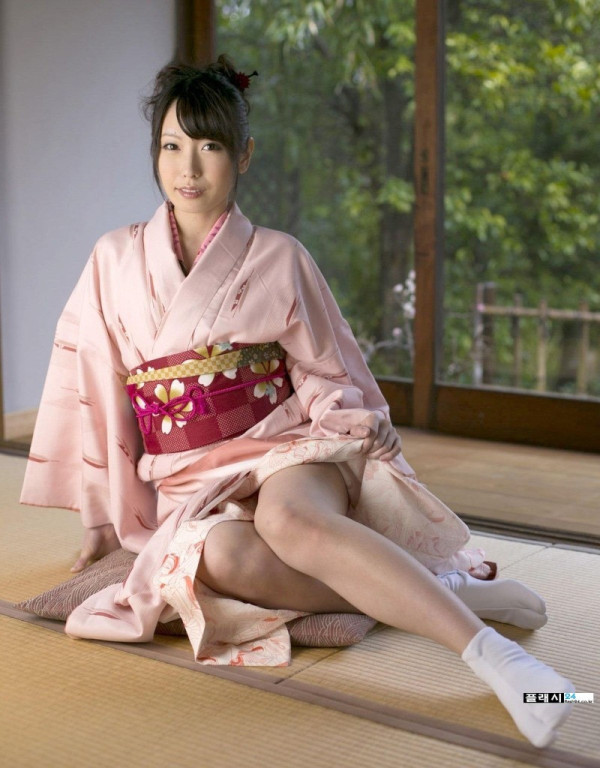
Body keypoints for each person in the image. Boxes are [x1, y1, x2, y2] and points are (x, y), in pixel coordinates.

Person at [21, 55, 573, 747]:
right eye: (171, 146)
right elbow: (99, 390)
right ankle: (445, 590)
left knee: (287, 523)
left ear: (244, 155)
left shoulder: (279, 257)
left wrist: (350, 425)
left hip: (285, 445)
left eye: (210, 146)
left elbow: (326, 371)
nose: (188, 167)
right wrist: (103, 518)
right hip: (189, 478)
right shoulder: (112, 258)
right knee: (222, 561)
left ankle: (499, 659)